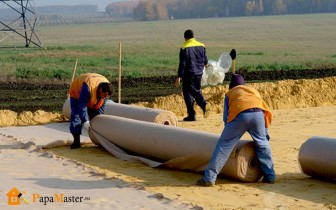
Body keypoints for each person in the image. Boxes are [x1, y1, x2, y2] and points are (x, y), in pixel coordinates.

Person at [197, 73, 276, 186]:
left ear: (231, 86)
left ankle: (209, 178)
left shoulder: (230, 93)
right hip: (258, 115)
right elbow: (263, 111)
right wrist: (265, 134)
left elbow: (226, 118)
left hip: (240, 115)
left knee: (223, 146)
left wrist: (229, 138)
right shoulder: (253, 91)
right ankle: (270, 175)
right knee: (263, 144)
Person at [68, 73, 112, 149]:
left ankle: (97, 139)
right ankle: (76, 141)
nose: (105, 97)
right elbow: (82, 106)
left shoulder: (107, 91)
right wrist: (85, 121)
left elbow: (101, 107)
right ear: (101, 90)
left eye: (106, 96)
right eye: (104, 95)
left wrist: (98, 119)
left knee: (95, 115)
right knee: (76, 116)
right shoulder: (88, 87)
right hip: (77, 92)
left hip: (92, 91)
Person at [175, 29, 209, 121]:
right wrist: (205, 65)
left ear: (185, 38)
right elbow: (205, 60)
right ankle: (191, 115)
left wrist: (179, 76)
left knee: (190, 92)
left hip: (189, 74)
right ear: (193, 36)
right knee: (192, 91)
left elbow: (183, 63)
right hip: (199, 73)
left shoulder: (184, 47)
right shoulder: (202, 45)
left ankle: (204, 105)